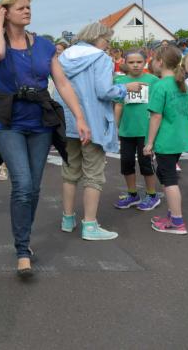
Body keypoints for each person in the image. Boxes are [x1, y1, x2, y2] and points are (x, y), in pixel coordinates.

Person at [0, 0, 89, 278]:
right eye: (20, 8)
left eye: (28, 7)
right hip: (8, 122)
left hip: (40, 122)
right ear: (5, 12)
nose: (27, 11)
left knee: (34, 187)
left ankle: (24, 241)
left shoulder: (44, 45)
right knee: (23, 184)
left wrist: (79, 117)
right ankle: (22, 251)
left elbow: (62, 83)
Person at [56, 23, 142, 241]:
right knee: (93, 174)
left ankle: (67, 218)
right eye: (107, 40)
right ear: (97, 37)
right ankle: (90, 225)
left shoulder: (64, 56)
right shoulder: (101, 58)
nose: (108, 45)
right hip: (92, 122)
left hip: (67, 121)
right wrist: (124, 88)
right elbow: (104, 91)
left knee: (70, 172)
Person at [144, 45, 188, 235]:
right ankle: (173, 215)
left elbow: (156, 116)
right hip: (180, 138)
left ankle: (177, 222)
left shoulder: (160, 85)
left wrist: (149, 142)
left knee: (169, 178)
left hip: (166, 139)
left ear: (160, 62)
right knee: (166, 174)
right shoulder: (182, 84)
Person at [112, 50, 161, 210]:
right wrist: (115, 127)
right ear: (125, 63)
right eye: (131, 62)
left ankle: (152, 195)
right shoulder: (120, 81)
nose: (135, 65)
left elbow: (158, 106)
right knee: (126, 163)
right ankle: (132, 194)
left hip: (146, 131)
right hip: (126, 130)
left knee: (146, 164)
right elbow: (119, 105)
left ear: (145, 62)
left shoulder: (153, 80)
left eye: (139, 62)